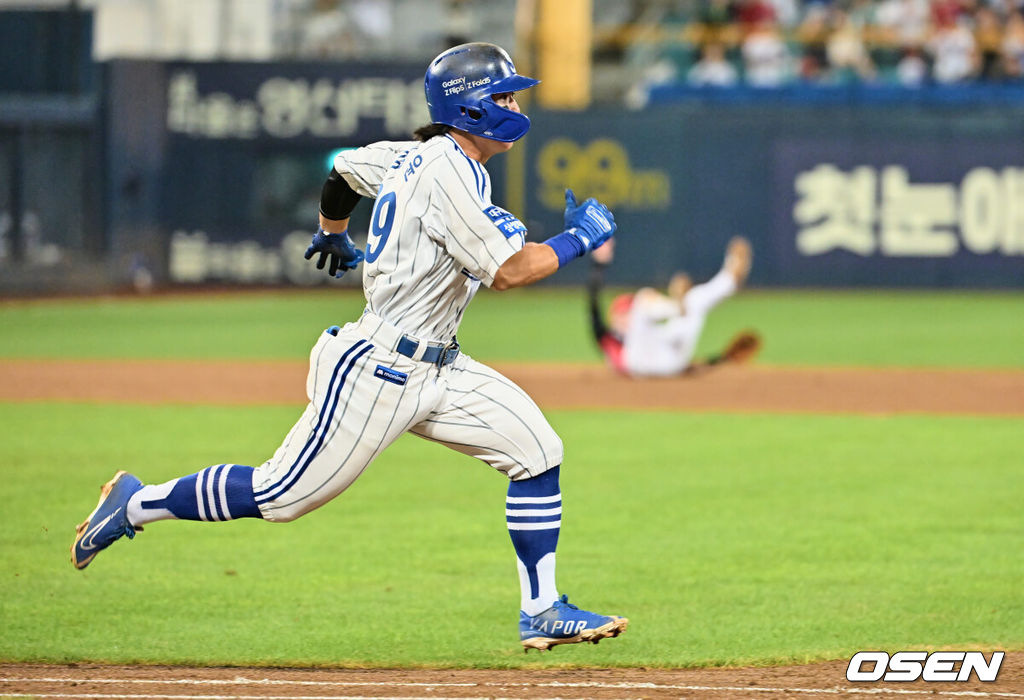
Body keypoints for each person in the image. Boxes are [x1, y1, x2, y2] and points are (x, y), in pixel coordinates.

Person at [71, 42, 628, 652]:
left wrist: (331, 231)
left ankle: (542, 609)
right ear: (469, 110)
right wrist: (579, 238)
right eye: (503, 95)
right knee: (280, 495)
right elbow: (511, 272)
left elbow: (343, 171)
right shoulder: (445, 169)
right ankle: (136, 503)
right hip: (380, 368)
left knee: (537, 451)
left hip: (440, 365)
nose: (515, 104)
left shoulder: (419, 157)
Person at [587, 237, 759, 377]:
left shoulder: (645, 331)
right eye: (623, 314)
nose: (626, 317)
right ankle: (676, 306)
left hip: (669, 363)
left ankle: (730, 278)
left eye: (627, 314)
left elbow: (686, 367)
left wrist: (721, 359)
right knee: (643, 298)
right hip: (637, 363)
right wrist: (599, 266)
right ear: (615, 318)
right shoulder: (608, 339)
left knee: (694, 300)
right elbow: (593, 308)